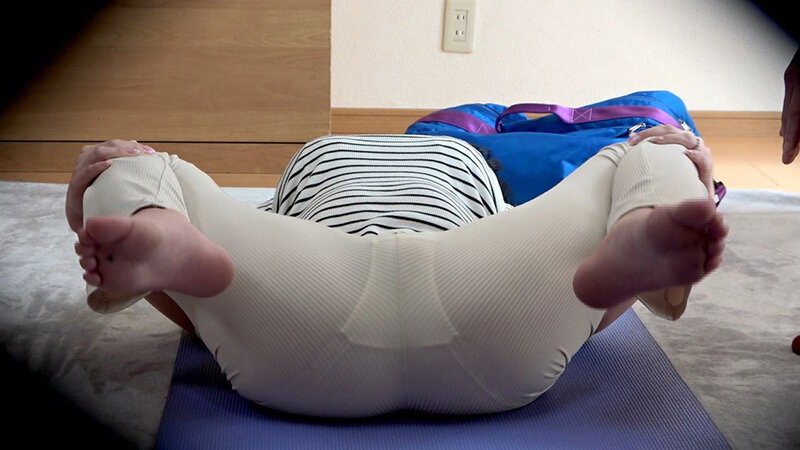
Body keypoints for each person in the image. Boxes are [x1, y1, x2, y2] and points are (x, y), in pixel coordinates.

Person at [66, 127, 727, 418]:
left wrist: (103, 204)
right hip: (483, 306)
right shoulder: (491, 195)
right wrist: (671, 190)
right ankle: (639, 224)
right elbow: (559, 290)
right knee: (642, 148)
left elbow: (208, 304)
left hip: (303, 310)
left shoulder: (293, 182)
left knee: (139, 161)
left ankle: (160, 224)